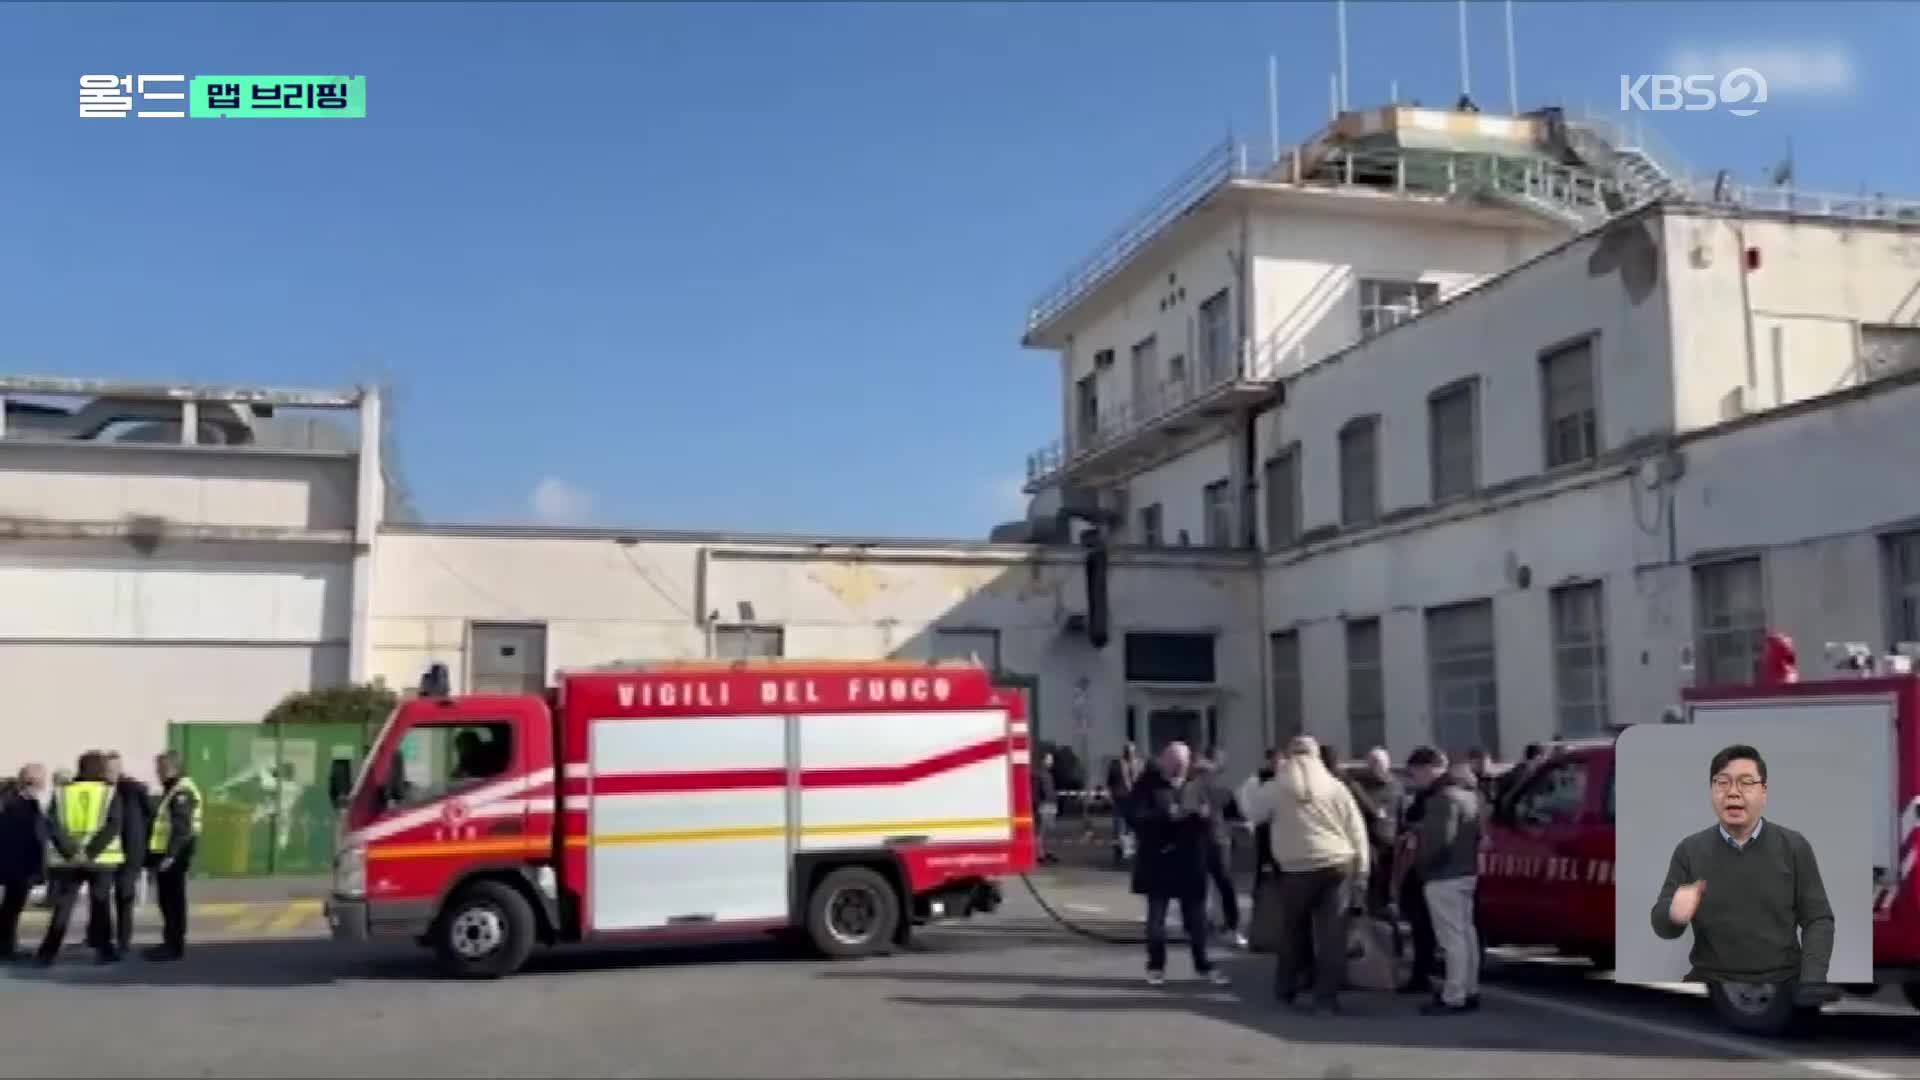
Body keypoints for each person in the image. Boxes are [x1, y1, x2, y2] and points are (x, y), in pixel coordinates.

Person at [1651, 743, 1835, 1001]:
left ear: (1764, 792)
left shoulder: (1793, 846)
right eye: (1722, 783)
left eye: (1746, 783)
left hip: (1781, 981)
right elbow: (1662, 924)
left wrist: (1812, 980)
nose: (1733, 793)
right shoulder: (1690, 850)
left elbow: (1818, 919)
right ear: (1712, 791)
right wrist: (1673, 913)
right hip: (1711, 982)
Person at [1241, 735, 1370, 1014]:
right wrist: (1362, 869)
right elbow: (1356, 828)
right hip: (1337, 863)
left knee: (1293, 931)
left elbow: (1252, 812)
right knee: (1332, 935)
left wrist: (1258, 782)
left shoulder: (1278, 786)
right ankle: (1326, 999)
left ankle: (1287, 988)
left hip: (1296, 869)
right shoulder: (1335, 787)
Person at [1128, 741, 1231, 988]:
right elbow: (1135, 817)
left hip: (1189, 860)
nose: (1178, 770)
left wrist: (1204, 816)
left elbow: (1216, 817)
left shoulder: (1198, 785)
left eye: (1183, 766)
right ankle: (1156, 966)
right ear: (1164, 761)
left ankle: (1202, 964)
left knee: (1196, 919)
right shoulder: (1147, 785)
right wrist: (1167, 816)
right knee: (1156, 921)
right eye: (1174, 764)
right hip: (1158, 860)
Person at [35, 751, 125, 966]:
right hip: (101, 859)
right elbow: (113, 826)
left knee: (63, 907)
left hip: (69, 861)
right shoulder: (110, 793)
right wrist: (90, 852)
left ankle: (47, 953)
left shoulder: (62, 794)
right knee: (100, 905)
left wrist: (71, 852)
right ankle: (104, 951)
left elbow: (53, 825)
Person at [1418, 761, 1485, 1015]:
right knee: (1467, 933)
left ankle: (1453, 994)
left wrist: (1423, 866)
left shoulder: (1443, 800)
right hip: (1467, 871)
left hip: (1443, 875)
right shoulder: (1473, 800)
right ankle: (1470, 989)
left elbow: (1440, 839)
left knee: (1451, 938)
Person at [1394, 746, 1448, 996]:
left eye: (1415, 773)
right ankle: (1425, 972)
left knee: (1427, 925)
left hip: (1429, 867)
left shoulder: (1438, 795)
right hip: (1429, 867)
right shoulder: (1434, 792)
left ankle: (1426, 975)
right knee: (1424, 924)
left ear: (1427, 769)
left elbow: (1429, 828)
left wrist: (1411, 829)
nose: (1414, 778)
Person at [87, 751, 150, 959]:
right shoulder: (100, 790)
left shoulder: (133, 790)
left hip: (130, 851)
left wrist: (146, 850)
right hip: (106, 853)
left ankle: (124, 940)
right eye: (107, 770)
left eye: (114, 769)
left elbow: (149, 817)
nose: (111, 773)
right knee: (100, 896)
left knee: (124, 895)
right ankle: (99, 938)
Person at [145, 750, 202, 960]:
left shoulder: (181, 792)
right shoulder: (173, 790)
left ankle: (174, 945)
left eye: (159, 769)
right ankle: (170, 941)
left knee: (173, 901)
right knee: (167, 900)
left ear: (170, 768)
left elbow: (181, 828)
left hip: (175, 856)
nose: (157, 773)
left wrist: (170, 856)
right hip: (169, 854)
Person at [1192, 750, 1244, 948]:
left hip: (1206, 841)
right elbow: (1235, 815)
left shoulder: (1194, 790)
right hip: (1216, 840)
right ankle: (1228, 925)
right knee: (1222, 885)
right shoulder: (1221, 790)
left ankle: (1210, 924)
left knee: (1208, 885)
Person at [1, 764, 50, 959]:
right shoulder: (16, 803)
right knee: (11, 907)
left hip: (21, 864)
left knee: (11, 907)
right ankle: (5, 947)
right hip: (17, 865)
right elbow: (26, 836)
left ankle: (7, 944)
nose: (42, 784)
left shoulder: (22, 801)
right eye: (39, 780)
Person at [1350, 747, 1403, 915]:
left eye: (1378, 763)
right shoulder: (1360, 786)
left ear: (1386, 765)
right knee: (1371, 877)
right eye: (1372, 763)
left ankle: (1385, 908)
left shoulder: (1395, 786)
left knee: (1386, 877)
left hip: (1389, 839)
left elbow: (1396, 811)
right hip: (1367, 838)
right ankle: (1373, 909)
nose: (1375, 767)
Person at [1106, 744, 1142, 866]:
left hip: (1134, 801)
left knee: (1131, 829)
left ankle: (1131, 854)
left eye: (1132, 752)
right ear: (1124, 752)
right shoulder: (1116, 764)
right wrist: (1111, 795)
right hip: (1120, 800)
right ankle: (1118, 855)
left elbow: (1141, 780)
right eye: (1128, 751)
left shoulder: (1138, 764)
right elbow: (1110, 781)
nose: (1130, 754)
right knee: (1119, 829)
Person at [1033, 750, 1059, 865]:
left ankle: (1048, 852)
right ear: (1043, 761)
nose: (1051, 762)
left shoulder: (1049, 774)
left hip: (1051, 804)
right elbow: (1035, 791)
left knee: (1050, 830)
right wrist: (1037, 804)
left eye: (1051, 760)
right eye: (1049, 759)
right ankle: (1040, 854)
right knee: (1041, 831)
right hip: (1043, 805)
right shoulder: (1038, 774)